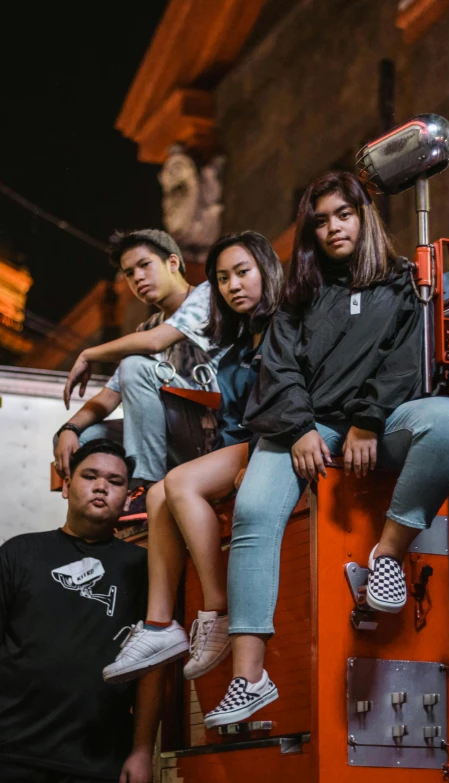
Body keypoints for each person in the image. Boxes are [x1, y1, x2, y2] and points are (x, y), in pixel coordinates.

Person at [204, 171, 449, 728]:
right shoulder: (298, 293)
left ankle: (388, 557)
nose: (332, 228)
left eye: (342, 215)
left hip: (377, 422)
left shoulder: (402, 283)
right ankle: (249, 678)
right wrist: (300, 428)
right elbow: (277, 370)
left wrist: (369, 422)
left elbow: (406, 364)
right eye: (320, 220)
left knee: (447, 423)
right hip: (307, 426)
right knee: (253, 513)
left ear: (363, 216)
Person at [102, 232, 284, 685]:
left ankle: (216, 609)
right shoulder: (238, 336)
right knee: (165, 489)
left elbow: (287, 400)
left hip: (270, 441)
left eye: (242, 273)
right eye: (223, 278)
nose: (231, 286)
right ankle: (160, 624)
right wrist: (71, 430)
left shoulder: (284, 322)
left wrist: (254, 457)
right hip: (235, 440)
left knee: (178, 483)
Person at [0, 439, 165, 783]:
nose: (102, 486)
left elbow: (153, 665)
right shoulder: (19, 554)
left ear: (127, 496)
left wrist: (141, 750)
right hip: (12, 752)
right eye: (90, 475)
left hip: (99, 760)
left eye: (115, 481)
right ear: (66, 485)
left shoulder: (143, 567)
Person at [53, 229, 223, 521]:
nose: (138, 278)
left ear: (172, 263)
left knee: (135, 364)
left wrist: (88, 354)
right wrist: (67, 431)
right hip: (173, 440)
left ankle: (145, 488)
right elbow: (110, 395)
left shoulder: (207, 296)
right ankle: (104, 510)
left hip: (212, 434)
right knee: (86, 437)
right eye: (129, 273)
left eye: (145, 265)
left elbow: (156, 342)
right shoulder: (146, 328)